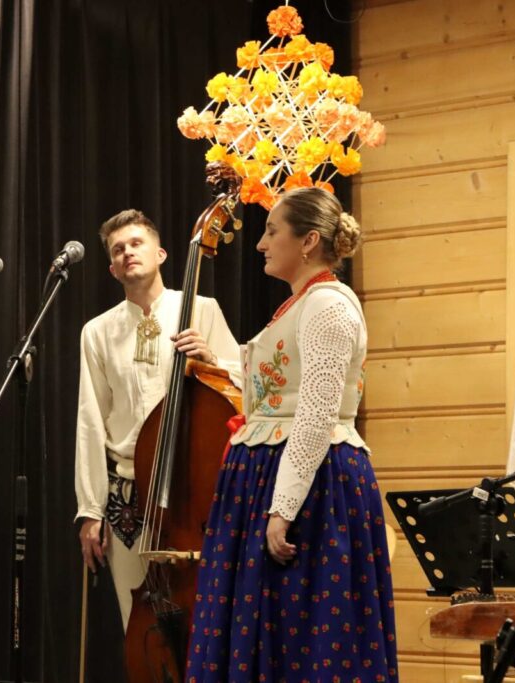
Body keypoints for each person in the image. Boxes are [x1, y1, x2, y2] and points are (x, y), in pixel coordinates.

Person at [185, 187, 398, 682]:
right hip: (274, 474)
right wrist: (219, 365)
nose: (261, 243)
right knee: (271, 630)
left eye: (271, 231)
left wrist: (283, 507)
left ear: (309, 241)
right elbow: (278, 391)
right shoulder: (300, 305)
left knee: (307, 633)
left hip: (312, 485)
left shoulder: (327, 306)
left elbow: (316, 414)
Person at [75, 208, 242, 630]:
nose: (127, 252)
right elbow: (90, 420)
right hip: (130, 491)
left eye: (136, 243)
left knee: (205, 618)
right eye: (118, 250)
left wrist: (212, 360)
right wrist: (91, 509)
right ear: (113, 269)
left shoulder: (202, 309)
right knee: (139, 622)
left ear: (161, 254)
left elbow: (244, 390)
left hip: (191, 485)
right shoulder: (97, 331)